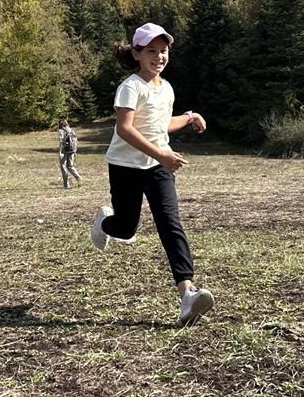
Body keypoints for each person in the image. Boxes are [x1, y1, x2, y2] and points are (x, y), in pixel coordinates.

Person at [90, 22, 214, 326]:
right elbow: (124, 128)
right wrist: (160, 153)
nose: (159, 56)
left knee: (170, 224)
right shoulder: (130, 87)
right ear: (137, 54)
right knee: (125, 229)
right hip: (125, 167)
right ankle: (105, 222)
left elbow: (161, 124)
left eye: (163, 51)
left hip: (158, 168)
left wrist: (189, 117)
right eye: (151, 51)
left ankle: (187, 294)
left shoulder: (166, 87)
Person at [58, 118, 82, 189]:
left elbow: (61, 142)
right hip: (72, 150)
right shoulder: (71, 130)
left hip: (64, 150)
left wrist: (60, 152)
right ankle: (78, 177)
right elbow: (76, 141)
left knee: (63, 167)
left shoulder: (61, 131)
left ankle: (66, 185)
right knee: (70, 166)